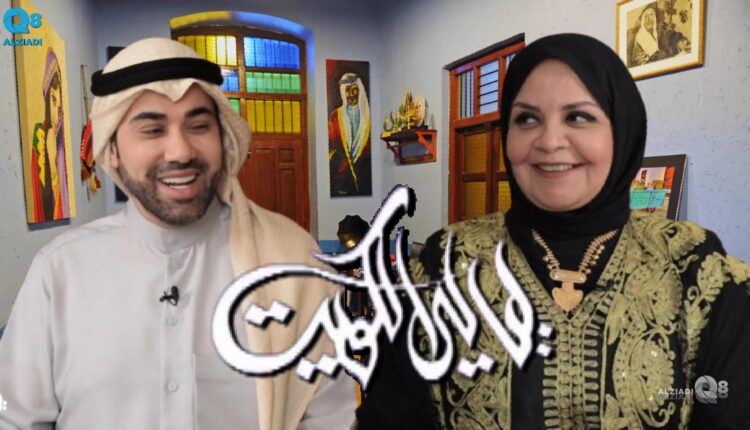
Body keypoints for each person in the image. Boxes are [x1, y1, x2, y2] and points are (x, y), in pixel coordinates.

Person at [357, 33, 750, 429]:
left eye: (578, 117)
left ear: (622, 130)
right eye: (527, 119)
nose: (549, 141)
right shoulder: (442, 266)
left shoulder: (697, 272)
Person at [0, 38, 356, 429]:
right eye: (152, 130)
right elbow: (16, 418)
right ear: (112, 149)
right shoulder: (60, 271)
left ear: (223, 138)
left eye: (199, 126)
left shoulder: (294, 259)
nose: (180, 151)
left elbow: (329, 417)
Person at [30, 47, 71, 222]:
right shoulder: (39, 139)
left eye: (60, 109)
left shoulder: (60, 143)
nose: (57, 116)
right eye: (53, 101)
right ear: (47, 99)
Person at [328, 72, 372, 197]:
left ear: (360, 91)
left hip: (364, 175)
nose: (351, 94)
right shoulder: (335, 116)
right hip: (342, 177)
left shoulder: (369, 116)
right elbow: (331, 147)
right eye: (347, 90)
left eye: (355, 90)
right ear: (343, 92)